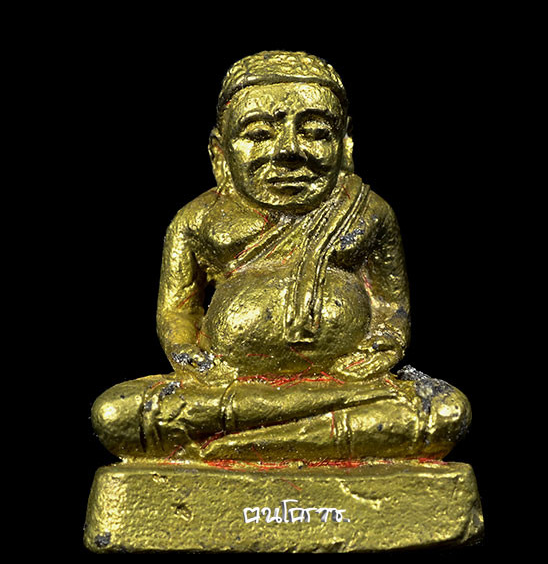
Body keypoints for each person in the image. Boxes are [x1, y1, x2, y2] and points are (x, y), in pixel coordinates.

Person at [91, 51, 471, 464]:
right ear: (220, 153)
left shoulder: (368, 212)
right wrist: (188, 355)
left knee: (445, 410)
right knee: (116, 413)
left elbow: (391, 306)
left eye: (315, 132)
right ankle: (305, 438)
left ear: (345, 146)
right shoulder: (198, 219)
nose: (288, 150)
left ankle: (235, 446)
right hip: (228, 390)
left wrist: (383, 345)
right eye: (258, 134)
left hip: (348, 388)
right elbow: (177, 310)